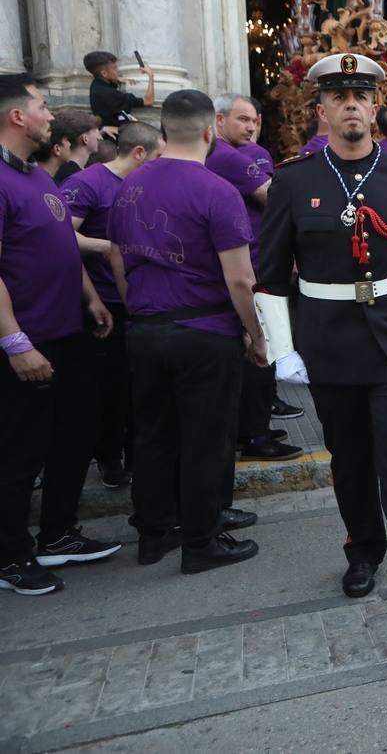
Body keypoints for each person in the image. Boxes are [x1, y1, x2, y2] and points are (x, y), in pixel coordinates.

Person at [254, 52, 387, 636]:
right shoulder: (294, 180)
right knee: (350, 460)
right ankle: (363, 549)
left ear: (375, 107)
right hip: (327, 341)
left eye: (361, 96)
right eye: (339, 97)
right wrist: (281, 346)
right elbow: (269, 274)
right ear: (320, 109)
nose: (351, 105)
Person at [108, 90, 266, 573]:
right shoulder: (216, 189)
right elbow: (240, 278)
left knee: (154, 434)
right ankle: (201, 540)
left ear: (161, 132)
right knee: (205, 437)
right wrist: (256, 334)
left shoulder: (130, 185)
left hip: (146, 327)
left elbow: (117, 257)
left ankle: (154, 532)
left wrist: (137, 305)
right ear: (209, 131)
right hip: (203, 329)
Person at [0, 73, 118, 595]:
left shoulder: (36, 176)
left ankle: (58, 535)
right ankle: (9, 555)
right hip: (27, 342)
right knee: (21, 450)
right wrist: (15, 342)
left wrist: (90, 296)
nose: (52, 116)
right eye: (43, 106)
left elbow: (59, 245)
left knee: (76, 432)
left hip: (66, 331)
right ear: (17, 116)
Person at [61, 121, 163, 489]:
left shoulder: (146, 185)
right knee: (110, 387)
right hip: (103, 304)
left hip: (141, 302)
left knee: (141, 386)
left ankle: (138, 457)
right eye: (157, 157)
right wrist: (106, 248)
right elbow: (61, 237)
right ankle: (108, 457)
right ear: (139, 154)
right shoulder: (87, 184)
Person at [207, 94, 302, 463]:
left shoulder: (225, 155)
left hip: (252, 266)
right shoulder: (230, 157)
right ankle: (256, 435)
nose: (250, 127)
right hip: (251, 271)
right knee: (261, 351)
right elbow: (271, 198)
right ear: (218, 120)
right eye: (242, 119)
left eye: (254, 121)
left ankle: (253, 425)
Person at [84, 51, 154, 130]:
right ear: (104, 74)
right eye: (114, 68)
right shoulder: (111, 95)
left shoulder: (96, 84)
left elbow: (109, 80)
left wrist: (117, 79)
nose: (118, 71)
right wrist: (151, 75)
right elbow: (149, 101)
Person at [43, 110, 102, 183]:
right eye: (97, 133)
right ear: (85, 139)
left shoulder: (58, 169)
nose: (100, 138)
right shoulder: (75, 178)